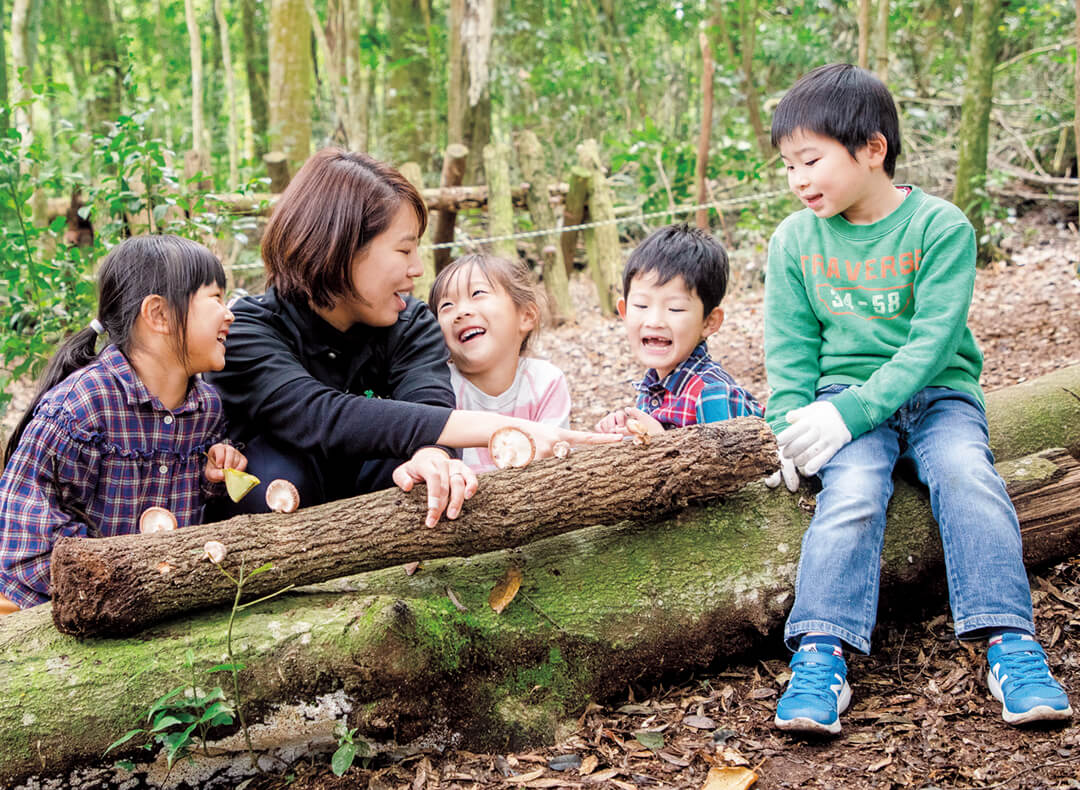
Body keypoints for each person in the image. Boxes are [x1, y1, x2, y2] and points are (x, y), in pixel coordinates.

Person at [763, 63, 1071, 734]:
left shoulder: (941, 228)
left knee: (967, 476)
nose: (798, 180)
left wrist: (848, 414)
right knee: (850, 494)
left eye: (810, 160)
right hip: (841, 401)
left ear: (872, 149)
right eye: (788, 166)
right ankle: (820, 655)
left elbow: (930, 346)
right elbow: (790, 351)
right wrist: (787, 428)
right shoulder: (794, 242)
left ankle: (1011, 646)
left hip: (937, 395)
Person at [207, 148, 617, 526]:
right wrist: (498, 426)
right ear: (339, 248)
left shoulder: (412, 323)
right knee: (275, 478)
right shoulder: (247, 329)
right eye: (404, 251)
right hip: (272, 520)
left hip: (377, 521)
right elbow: (318, 414)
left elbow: (429, 405)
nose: (418, 269)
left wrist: (432, 456)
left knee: (423, 476)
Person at [0, 235, 246, 612]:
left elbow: (195, 516)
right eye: (215, 298)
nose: (229, 314)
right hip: (49, 608)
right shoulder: (82, 408)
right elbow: (21, 535)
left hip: (152, 602)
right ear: (159, 315)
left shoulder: (206, 407)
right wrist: (104, 582)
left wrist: (213, 479)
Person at [595, 223, 762, 436]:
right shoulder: (653, 387)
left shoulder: (711, 393)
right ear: (624, 311)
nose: (654, 321)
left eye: (675, 308)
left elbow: (734, 465)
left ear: (709, 321)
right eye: (641, 306)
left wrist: (661, 443)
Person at [429, 253, 571, 473]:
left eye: (478, 293)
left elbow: (552, 464)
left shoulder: (545, 382)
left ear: (526, 316)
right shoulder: (439, 389)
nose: (461, 312)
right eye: (446, 305)